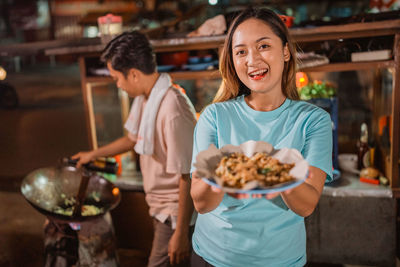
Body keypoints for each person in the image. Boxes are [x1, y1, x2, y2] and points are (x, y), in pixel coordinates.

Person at [190, 7, 333, 267]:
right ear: (232, 61)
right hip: (213, 257)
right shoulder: (213, 116)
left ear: (286, 51)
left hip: (282, 260)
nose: (252, 60)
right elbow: (201, 202)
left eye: (263, 46)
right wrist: (228, 171)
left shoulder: (314, 120)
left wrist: (274, 172)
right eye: (241, 51)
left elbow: (306, 205)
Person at [73, 31, 196, 267]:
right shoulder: (146, 98)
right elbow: (131, 139)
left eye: (117, 79)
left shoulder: (172, 109)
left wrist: (180, 233)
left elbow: (187, 174)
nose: (118, 85)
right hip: (159, 206)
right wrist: (92, 155)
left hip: (174, 213)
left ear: (134, 74)